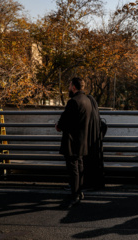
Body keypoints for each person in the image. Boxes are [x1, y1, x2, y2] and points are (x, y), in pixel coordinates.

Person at [56, 77, 92, 208]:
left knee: (73, 169)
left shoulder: (73, 102)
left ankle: (75, 195)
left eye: (70, 85)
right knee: (80, 166)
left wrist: (58, 126)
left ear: (74, 87)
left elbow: (64, 121)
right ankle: (80, 192)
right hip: (83, 139)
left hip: (72, 140)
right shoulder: (87, 101)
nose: (69, 88)